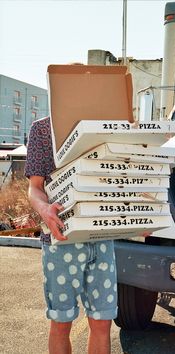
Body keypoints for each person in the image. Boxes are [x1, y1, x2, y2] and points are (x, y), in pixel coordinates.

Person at [25, 116, 118, 354]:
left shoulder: (107, 122)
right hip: (61, 240)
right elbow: (35, 187)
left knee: (102, 321)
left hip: (101, 238)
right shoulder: (43, 128)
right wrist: (44, 209)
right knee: (61, 320)